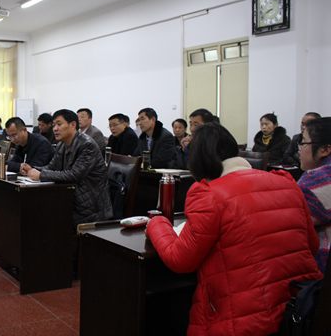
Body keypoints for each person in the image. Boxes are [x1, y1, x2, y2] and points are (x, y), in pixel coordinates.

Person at [146, 122, 322, 336]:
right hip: (299, 309)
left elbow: (180, 259)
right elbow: (312, 245)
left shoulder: (209, 194)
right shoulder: (287, 183)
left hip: (240, 317)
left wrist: (157, 223)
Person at [0, 117, 54, 258]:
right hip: (25, 184)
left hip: (42, 191)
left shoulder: (41, 144)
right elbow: (16, 164)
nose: (12, 139)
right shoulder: (20, 144)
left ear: (24, 130)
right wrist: (0, 164)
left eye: (14, 135)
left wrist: (18, 167)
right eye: (9, 136)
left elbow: (33, 169)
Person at [22, 109, 112, 225]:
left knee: (43, 214)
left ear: (73, 125)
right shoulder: (62, 144)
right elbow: (51, 167)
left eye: (59, 124)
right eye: (54, 125)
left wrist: (40, 175)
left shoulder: (87, 145)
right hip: (70, 197)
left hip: (90, 206)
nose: (55, 129)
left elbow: (74, 175)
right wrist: (32, 169)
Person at [297, 117, 331, 272]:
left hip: (318, 272)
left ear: (325, 150)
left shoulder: (317, 181)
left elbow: (292, 222)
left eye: (304, 142)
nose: (299, 149)